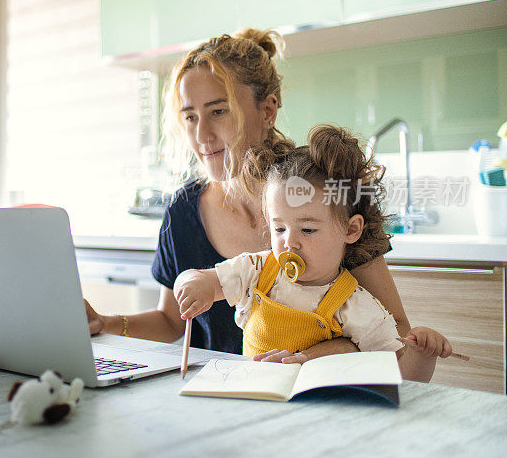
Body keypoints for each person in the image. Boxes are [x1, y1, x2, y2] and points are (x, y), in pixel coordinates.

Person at [86, 29, 412, 362]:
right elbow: (171, 320)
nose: (202, 135)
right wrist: (105, 323)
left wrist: (321, 354)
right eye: (190, 117)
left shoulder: (326, 193)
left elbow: (395, 329)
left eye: (218, 111)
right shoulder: (183, 211)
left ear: (268, 110)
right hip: (223, 398)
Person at [172, 124, 450, 381]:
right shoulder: (258, 269)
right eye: (279, 229)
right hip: (256, 401)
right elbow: (208, 280)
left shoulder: (353, 304)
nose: (289, 243)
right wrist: (192, 283)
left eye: (307, 230)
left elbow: (402, 376)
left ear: (351, 230)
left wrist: (424, 355)